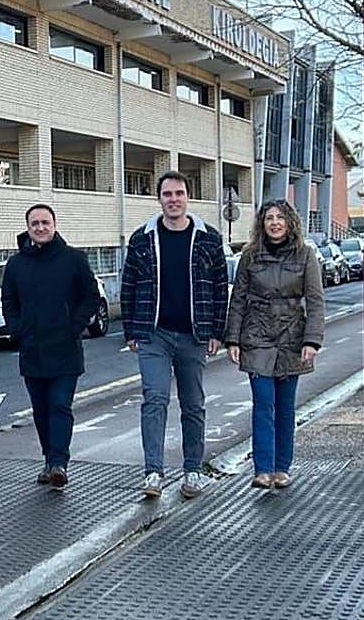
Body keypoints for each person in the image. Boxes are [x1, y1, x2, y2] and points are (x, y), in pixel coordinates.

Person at [121, 170, 229, 501]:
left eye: (179, 193)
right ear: (159, 199)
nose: (174, 200)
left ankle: (193, 470)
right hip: (154, 334)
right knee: (154, 399)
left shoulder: (208, 238)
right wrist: (130, 330)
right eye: (167, 194)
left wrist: (217, 331)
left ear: (188, 198)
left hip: (194, 334)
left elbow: (220, 288)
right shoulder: (142, 238)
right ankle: (153, 472)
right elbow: (128, 287)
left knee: (193, 404)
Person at [224, 200, 324, 489]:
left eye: (280, 217)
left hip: (291, 336)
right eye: (269, 218)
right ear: (262, 224)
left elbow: (315, 301)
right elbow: (238, 299)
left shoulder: (306, 256)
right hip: (257, 335)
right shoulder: (250, 256)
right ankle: (262, 468)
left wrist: (312, 340)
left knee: (285, 406)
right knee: (263, 402)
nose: (275, 223)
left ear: (290, 222)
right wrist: (233, 338)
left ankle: (282, 467)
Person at [1, 203, 98, 488]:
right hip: (32, 350)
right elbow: (9, 302)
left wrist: (74, 326)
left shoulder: (74, 259)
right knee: (40, 410)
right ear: (28, 228)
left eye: (45, 222)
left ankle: (59, 463)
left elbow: (90, 297)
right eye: (35, 223)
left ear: (54, 225)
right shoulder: (16, 265)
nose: (40, 228)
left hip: (65, 349)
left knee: (59, 406)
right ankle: (48, 460)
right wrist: (17, 328)